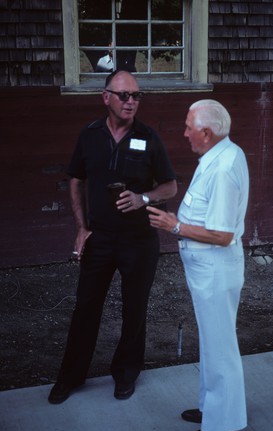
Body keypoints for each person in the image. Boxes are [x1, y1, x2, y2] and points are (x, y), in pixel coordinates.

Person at [48, 70, 177, 404]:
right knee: (86, 308)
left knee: (135, 310)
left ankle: (125, 375)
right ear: (106, 97)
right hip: (100, 239)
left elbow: (170, 185)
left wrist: (143, 198)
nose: (131, 102)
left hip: (139, 240)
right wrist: (81, 228)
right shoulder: (89, 135)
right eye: (124, 95)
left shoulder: (148, 138)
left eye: (136, 96)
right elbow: (75, 179)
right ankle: (70, 377)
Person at [147, 99, 249, 431]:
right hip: (209, 270)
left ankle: (223, 423)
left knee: (220, 346)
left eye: (189, 126)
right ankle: (212, 406)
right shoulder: (223, 155)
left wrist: (175, 227)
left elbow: (221, 235)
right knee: (213, 342)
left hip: (216, 270)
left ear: (206, 133)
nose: (185, 132)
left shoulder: (222, 168)